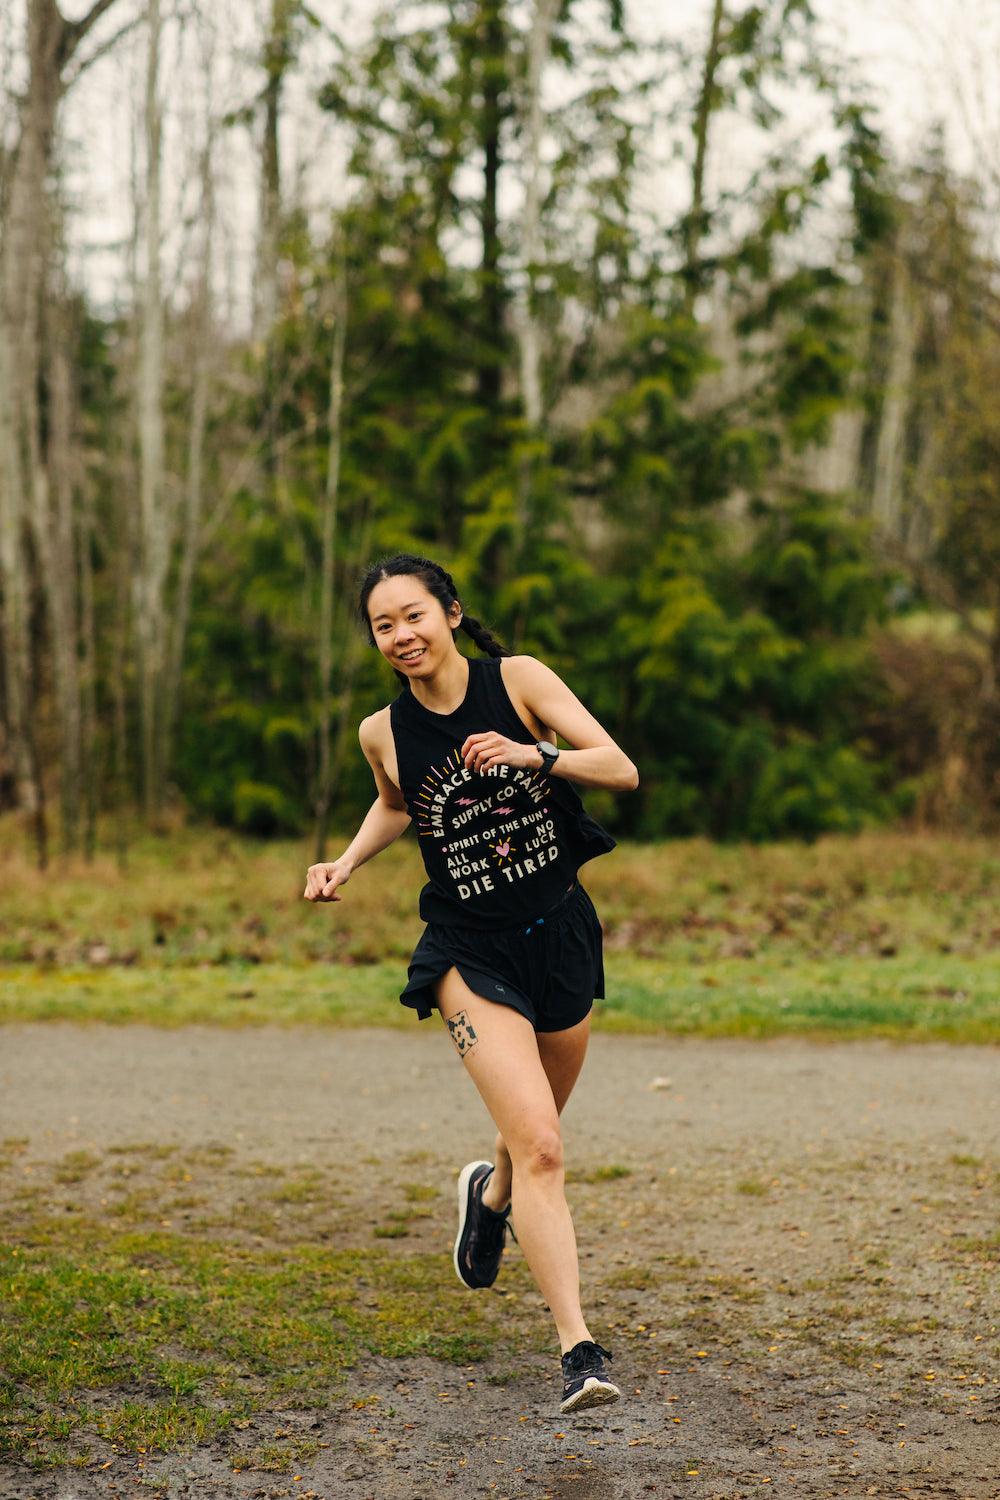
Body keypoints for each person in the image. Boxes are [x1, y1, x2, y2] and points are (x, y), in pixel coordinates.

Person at [303, 553, 639, 1414]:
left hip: (559, 935)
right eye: (384, 625)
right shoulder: (383, 730)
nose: (401, 635)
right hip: (468, 953)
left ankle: (489, 1200)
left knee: (528, 1141)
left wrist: (536, 756)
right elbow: (395, 801)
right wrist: (342, 863)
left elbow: (618, 768)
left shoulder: (516, 681)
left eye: (413, 615)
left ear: (449, 613)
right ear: (376, 641)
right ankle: (579, 1351)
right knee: (544, 1147)